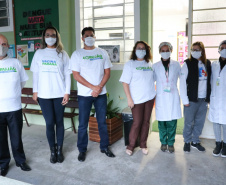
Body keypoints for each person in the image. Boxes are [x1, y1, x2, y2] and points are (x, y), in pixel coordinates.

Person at [69, 27, 115, 162]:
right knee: (83, 123)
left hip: (101, 94)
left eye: (92, 35)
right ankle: (82, 150)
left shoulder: (102, 52)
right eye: (87, 35)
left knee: (102, 121)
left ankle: (104, 147)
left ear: (95, 37)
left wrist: (99, 87)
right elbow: (76, 75)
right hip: (84, 95)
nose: (89, 37)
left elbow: (107, 72)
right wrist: (93, 87)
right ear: (82, 38)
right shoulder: (77, 54)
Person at [30, 26, 71, 163]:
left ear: (57, 37)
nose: (50, 37)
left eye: (53, 35)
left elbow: (67, 75)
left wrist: (67, 92)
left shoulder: (63, 54)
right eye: (47, 35)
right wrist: (35, 91)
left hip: (59, 94)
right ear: (44, 37)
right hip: (44, 95)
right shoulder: (39, 53)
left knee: (59, 122)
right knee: (49, 123)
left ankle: (59, 150)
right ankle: (52, 151)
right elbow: (35, 74)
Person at [0, 34, 31, 176]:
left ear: (8, 46)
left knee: (16, 137)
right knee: (1, 140)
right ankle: (3, 163)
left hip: (14, 108)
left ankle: (20, 161)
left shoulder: (15, 63)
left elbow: (22, 82)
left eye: (4, 44)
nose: (2, 47)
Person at [119, 41, 155, 156]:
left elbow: (152, 81)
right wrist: (129, 99)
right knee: (137, 122)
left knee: (146, 122)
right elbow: (125, 83)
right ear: (135, 50)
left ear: (146, 51)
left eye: (143, 48)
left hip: (149, 97)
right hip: (136, 99)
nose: (141, 50)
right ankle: (131, 145)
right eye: (139, 48)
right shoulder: (130, 64)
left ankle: (143, 144)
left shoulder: (149, 64)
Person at [180, 41, 211, 153]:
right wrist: (185, 100)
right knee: (188, 122)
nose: (195, 52)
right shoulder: (187, 64)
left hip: (203, 100)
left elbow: (210, 81)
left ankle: (195, 141)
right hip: (191, 99)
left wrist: (208, 98)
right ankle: (187, 141)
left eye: (197, 50)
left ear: (202, 51)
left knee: (199, 122)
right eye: (193, 50)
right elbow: (182, 83)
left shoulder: (207, 63)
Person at [153, 42, 181, 153]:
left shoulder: (177, 64)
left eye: (167, 50)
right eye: (163, 51)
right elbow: (151, 81)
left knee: (172, 123)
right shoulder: (155, 66)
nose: (165, 52)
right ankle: (163, 142)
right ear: (159, 52)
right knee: (162, 123)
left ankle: (171, 143)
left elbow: (182, 79)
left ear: (171, 51)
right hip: (161, 97)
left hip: (173, 96)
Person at [208, 40, 226, 157]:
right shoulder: (214, 64)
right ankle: (218, 144)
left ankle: (225, 145)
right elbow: (210, 81)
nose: (224, 50)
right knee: (216, 122)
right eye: (222, 48)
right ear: (219, 49)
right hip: (215, 97)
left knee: (225, 123)